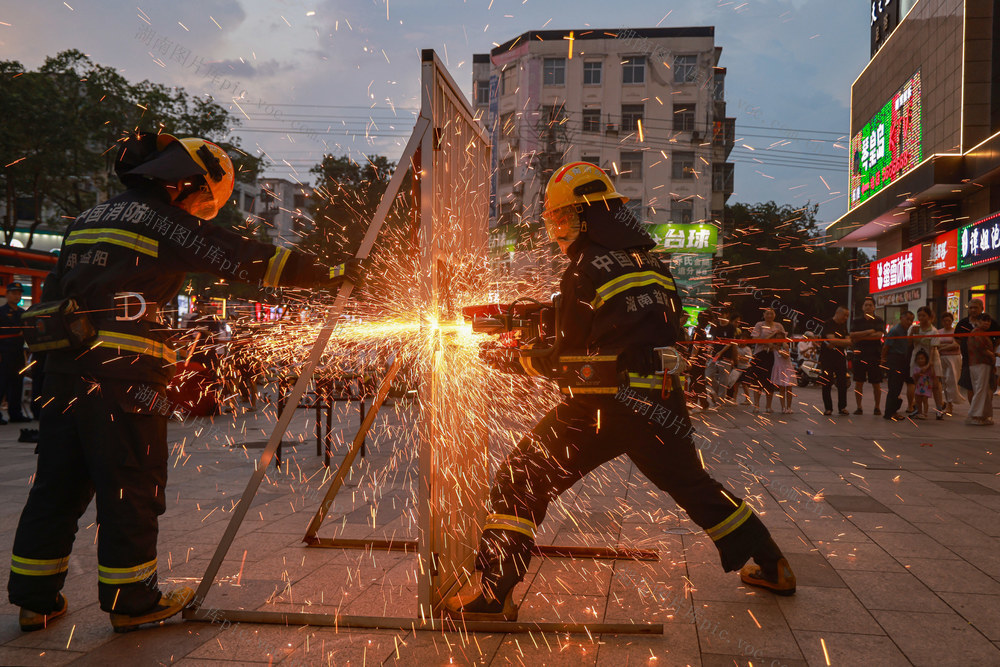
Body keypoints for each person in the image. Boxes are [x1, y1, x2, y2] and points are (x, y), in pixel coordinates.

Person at [7, 131, 361, 633]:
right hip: (125, 378)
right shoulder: (164, 222)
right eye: (200, 197)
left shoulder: (88, 219)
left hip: (64, 376)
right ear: (185, 181)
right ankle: (132, 601)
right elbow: (247, 257)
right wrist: (333, 271)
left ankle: (34, 600)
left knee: (57, 485)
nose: (199, 209)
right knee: (131, 486)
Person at [443, 162, 796, 622]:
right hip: (661, 403)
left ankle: (493, 595)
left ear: (588, 218)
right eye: (554, 221)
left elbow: (568, 362)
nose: (556, 231)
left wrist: (507, 358)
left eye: (562, 219)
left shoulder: (583, 270)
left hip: (603, 407)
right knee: (694, 486)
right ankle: (773, 564)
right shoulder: (653, 263)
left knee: (521, 477)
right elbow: (643, 330)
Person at [955, 299, 1000, 402]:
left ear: (982, 308)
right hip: (968, 360)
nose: (973, 310)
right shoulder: (963, 323)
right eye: (971, 308)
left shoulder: (990, 323)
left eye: (976, 307)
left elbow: (998, 339)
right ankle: (974, 411)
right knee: (970, 386)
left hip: (986, 361)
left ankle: (984, 412)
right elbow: (957, 339)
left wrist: (990, 350)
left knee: (987, 387)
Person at [0, 282, 31, 424]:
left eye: (19, 293)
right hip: (3, 353)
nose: (17, 296)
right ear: (7, 294)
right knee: (2, 383)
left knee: (17, 384)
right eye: (14, 293)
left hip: (18, 353)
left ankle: (15, 413)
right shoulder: (1, 312)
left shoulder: (22, 314)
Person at [908, 306, 945, 420]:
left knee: (935, 385)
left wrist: (929, 364)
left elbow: (934, 349)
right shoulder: (913, 328)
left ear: (929, 317)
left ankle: (939, 409)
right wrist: (911, 334)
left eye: (924, 315)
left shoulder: (933, 331)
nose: (921, 318)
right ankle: (918, 409)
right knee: (917, 383)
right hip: (917, 359)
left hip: (932, 360)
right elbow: (909, 343)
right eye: (919, 315)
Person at [849, 297, 884, 415]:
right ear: (862, 307)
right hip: (859, 355)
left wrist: (860, 336)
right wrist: (869, 332)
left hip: (875, 355)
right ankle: (859, 407)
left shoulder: (878, 320)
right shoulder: (857, 321)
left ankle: (877, 407)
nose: (868, 307)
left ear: (874, 307)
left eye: (870, 305)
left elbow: (878, 335)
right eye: (866, 305)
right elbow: (852, 335)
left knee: (876, 383)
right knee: (859, 382)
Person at [749, 308, 785, 414]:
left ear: (775, 315)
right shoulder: (759, 325)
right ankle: (756, 405)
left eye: (771, 313)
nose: (769, 315)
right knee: (758, 381)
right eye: (767, 313)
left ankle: (768, 406)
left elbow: (782, 340)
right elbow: (755, 340)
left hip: (773, 355)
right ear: (764, 314)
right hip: (760, 355)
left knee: (770, 382)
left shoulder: (779, 326)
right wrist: (768, 340)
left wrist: (772, 344)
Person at [881, 310, 914, 420]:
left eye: (911, 320)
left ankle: (893, 411)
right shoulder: (895, 330)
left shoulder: (905, 331)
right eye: (907, 319)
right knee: (894, 387)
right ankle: (889, 412)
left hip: (902, 360)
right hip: (894, 359)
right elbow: (886, 346)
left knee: (898, 387)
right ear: (901, 318)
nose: (909, 322)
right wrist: (883, 359)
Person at [819, 306, 851, 415]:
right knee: (827, 382)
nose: (846, 318)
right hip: (827, 358)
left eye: (847, 316)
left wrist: (837, 342)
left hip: (840, 357)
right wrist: (840, 341)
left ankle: (842, 407)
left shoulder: (843, 325)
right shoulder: (828, 323)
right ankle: (828, 408)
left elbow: (849, 341)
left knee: (842, 382)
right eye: (844, 315)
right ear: (837, 313)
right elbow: (831, 339)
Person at [967, 314, 996, 425]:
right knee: (981, 389)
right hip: (981, 363)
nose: (987, 323)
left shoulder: (979, 332)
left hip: (978, 363)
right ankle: (975, 415)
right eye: (984, 320)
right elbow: (981, 347)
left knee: (982, 389)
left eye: (988, 321)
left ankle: (983, 415)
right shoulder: (977, 332)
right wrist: (991, 355)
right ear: (978, 321)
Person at [706, 307, 739, 404]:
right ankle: (717, 393)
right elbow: (712, 340)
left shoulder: (731, 327)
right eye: (719, 315)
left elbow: (730, 342)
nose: (720, 317)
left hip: (726, 356)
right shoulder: (715, 326)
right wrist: (709, 351)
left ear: (727, 315)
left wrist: (721, 352)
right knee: (708, 375)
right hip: (714, 355)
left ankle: (720, 399)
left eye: (722, 315)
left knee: (724, 379)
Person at [937, 312, 963, 414]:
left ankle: (952, 401)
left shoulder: (955, 332)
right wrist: (943, 348)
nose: (947, 322)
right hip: (942, 358)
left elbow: (956, 345)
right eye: (945, 320)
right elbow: (935, 344)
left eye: (949, 320)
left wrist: (942, 347)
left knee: (952, 380)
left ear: (952, 321)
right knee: (945, 381)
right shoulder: (939, 332)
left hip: (954, 358)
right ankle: (949, 403)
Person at [770, 333, 796, 414]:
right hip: (779, 369)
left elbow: (786, 356)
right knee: (781, 389)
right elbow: (767, 342)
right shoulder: (773, 347)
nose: (779, 341)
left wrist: (780, 349)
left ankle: (789, 407)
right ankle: (783, 407)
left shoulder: (785, 346)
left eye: (781, 339)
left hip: (787, 368)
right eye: (777, 339)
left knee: (789, 389)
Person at [911, 349, 934, 420]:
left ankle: (925, 413)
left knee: (925, 400)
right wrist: (919, 373)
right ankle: (920, 412)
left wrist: (931, 366)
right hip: (919, 387)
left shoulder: (928, 369)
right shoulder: (916, 369)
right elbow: (914, 378)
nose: (920, 360)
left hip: (926, 387)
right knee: (918, 400)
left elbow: (933, 375)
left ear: (926, 359)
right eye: (918, 359)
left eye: (922, 358)